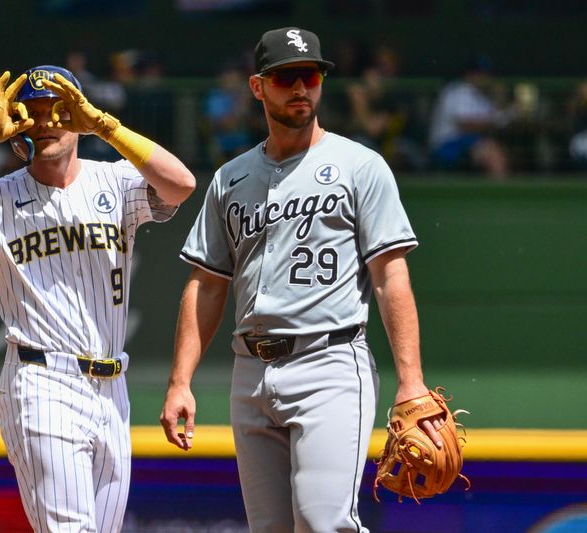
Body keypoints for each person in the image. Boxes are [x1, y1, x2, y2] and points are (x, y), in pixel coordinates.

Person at [159, 27, 443, 533]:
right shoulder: (231, 179)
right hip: (250, 370)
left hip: (328, 362)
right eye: (285, 77)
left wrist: (412, 380)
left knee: (322, 521)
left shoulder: (360, 166)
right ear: (257, 86)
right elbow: (207, 284)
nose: (300, 88)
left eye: (309, 76)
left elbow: (389, 276)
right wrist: (181, 381)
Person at [0, 65, 195, 532]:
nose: (47, 121)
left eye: (59, 109)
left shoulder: (116, 182)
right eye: (34, 111)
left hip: (112, 387)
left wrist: (106, 125)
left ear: (79, 113)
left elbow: (181, 185)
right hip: (42, 380)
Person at [428, 56, 511, 179]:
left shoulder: (479, 96)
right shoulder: (457, 91)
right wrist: (494, 122)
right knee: (492, 153)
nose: (483, 78)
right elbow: (467, 124)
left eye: (485, 74)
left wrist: (500, 98)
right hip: (447, 144)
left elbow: (497, 117)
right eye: (479, 73)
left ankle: (497, 190)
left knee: (500, 150)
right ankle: (500, 192)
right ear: (469, 74)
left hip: (467, 142)